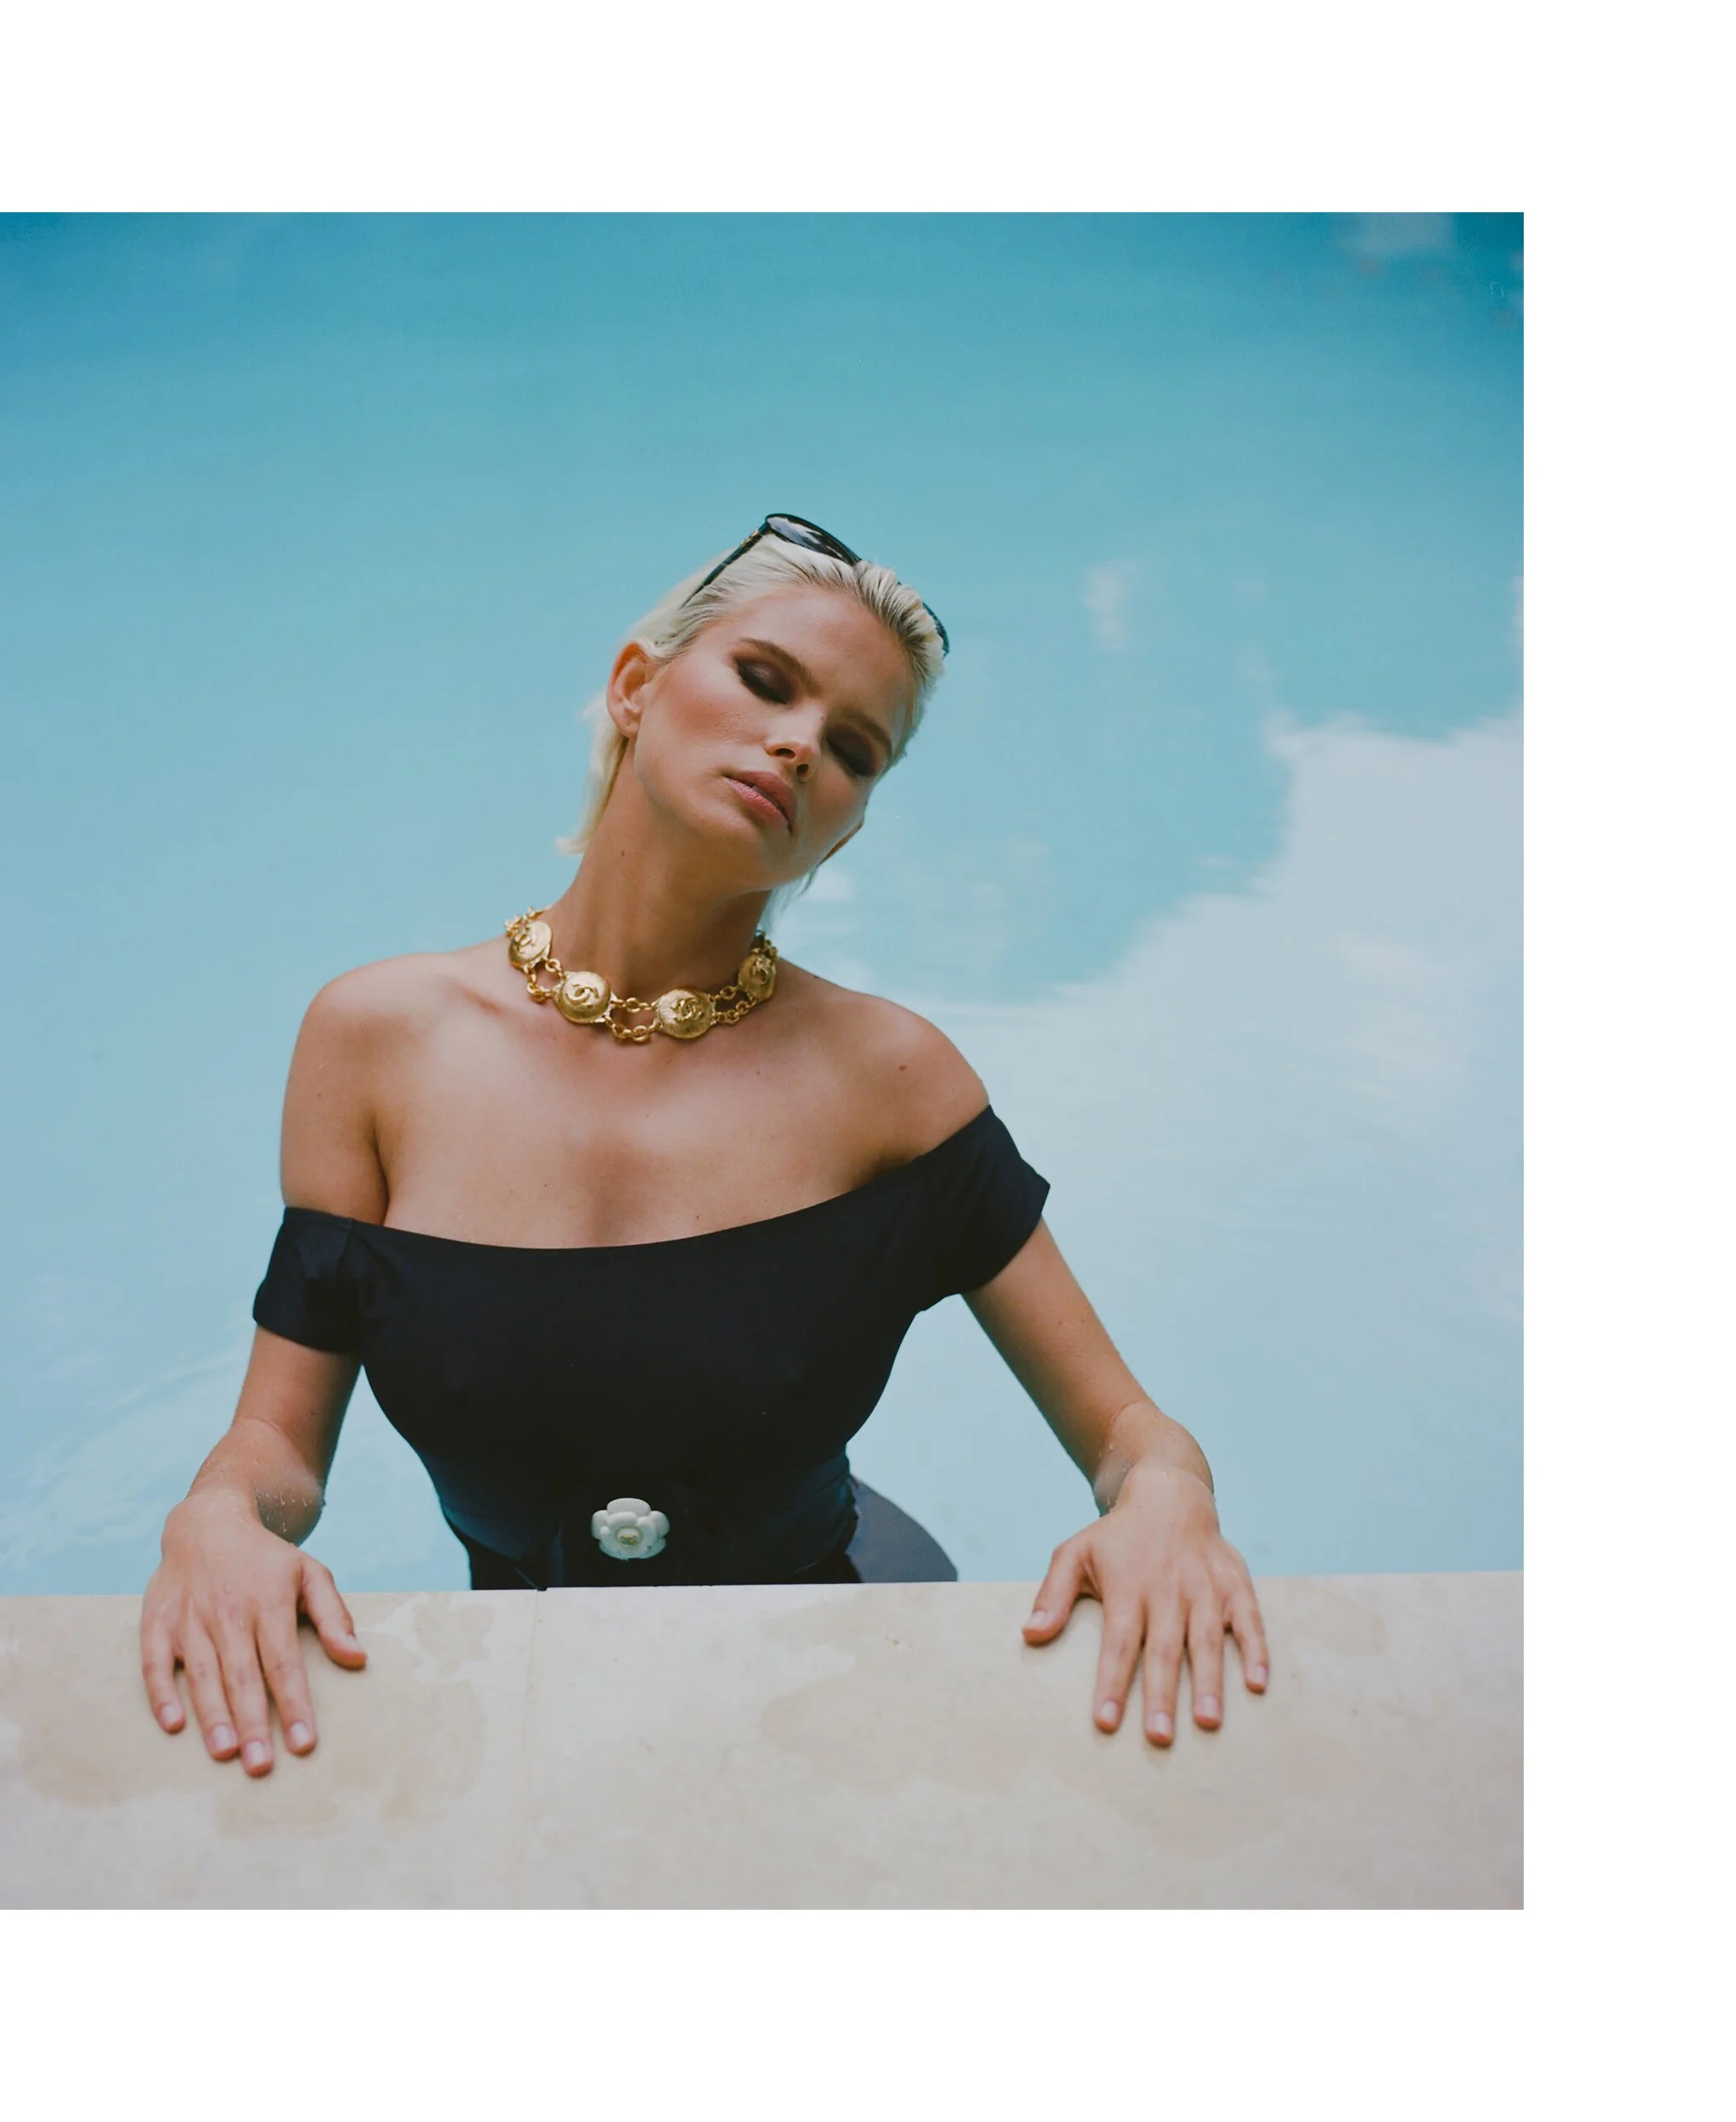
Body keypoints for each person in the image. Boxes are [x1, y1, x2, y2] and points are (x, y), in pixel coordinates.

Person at [141, 513, 1271, 1777]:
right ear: (634, 685)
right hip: (525, 1701)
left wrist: (1167, 1502)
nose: (799, 745)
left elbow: (1132, 1432)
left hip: (836, 1671)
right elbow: (280, 1446)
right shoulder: (375, 1043)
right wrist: (221, 1515)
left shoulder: (893, 1082)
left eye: (854, 750)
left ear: (845, 826)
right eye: (765, 680)